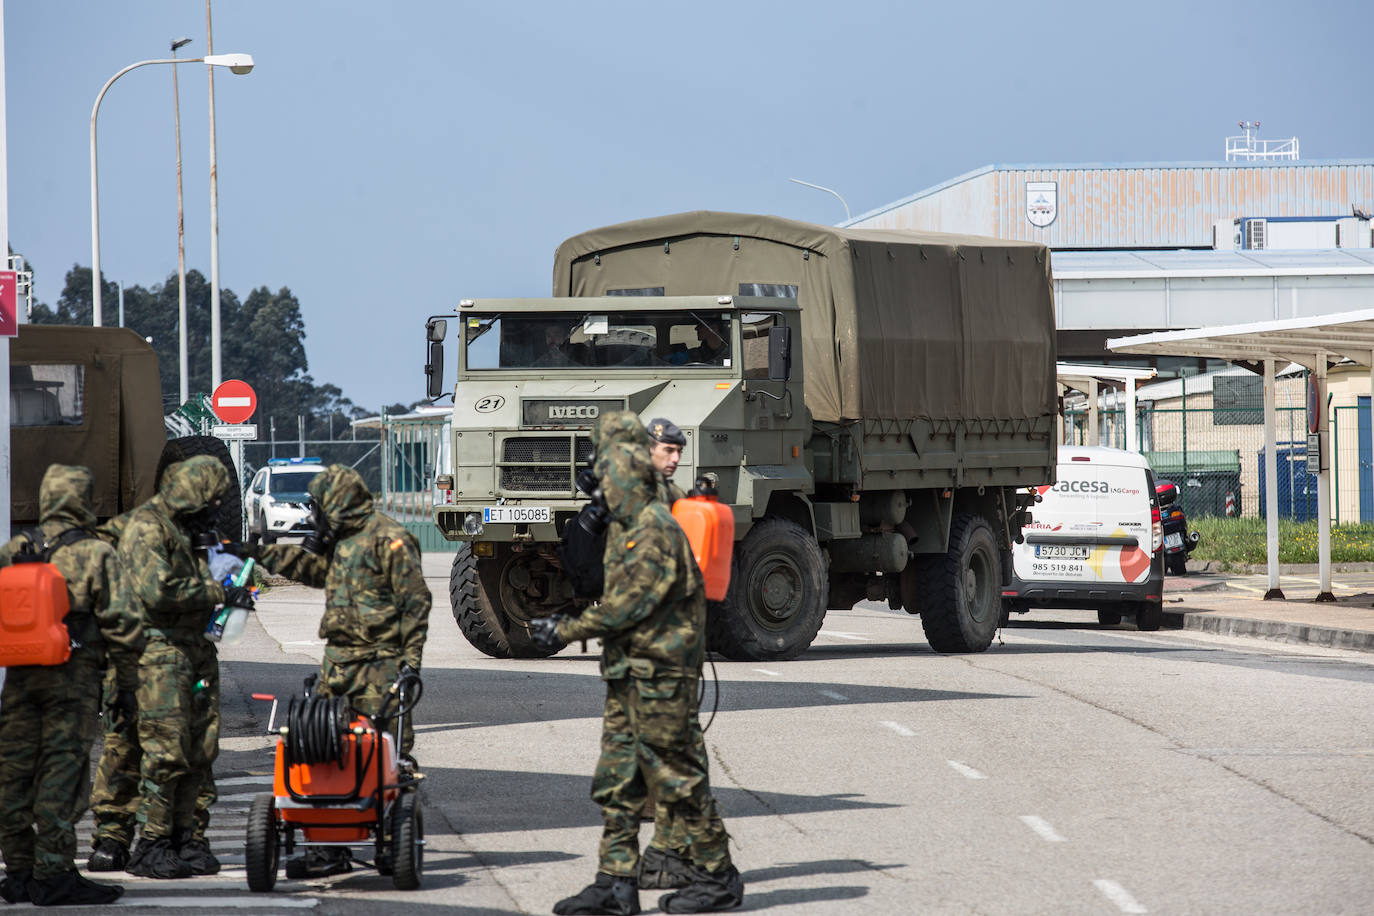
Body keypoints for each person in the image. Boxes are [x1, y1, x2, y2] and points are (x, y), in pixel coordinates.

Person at [531, 412, 743, 915]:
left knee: (676, 778)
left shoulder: (653, 529)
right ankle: (616, 883)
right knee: (619, 781)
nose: (600, 488)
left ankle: (718, 876)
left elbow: (625, 607)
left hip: (662, 675)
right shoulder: (627, 526)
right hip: (631, 671)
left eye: (608, 478)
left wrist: (562, 631)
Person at [230, 463, 431, 878]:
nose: (315, 515)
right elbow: (312, 572)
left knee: (388, 750)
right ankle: (329, 849)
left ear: (338, 502)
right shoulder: (341, 540)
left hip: (380, 662)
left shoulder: (390, 539)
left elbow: (416, 603)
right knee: (322, 746)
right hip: (338, 661)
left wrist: (410, 663)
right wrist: (256, 551)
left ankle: (394, 840)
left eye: (319, 506)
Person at [0, 464, 144, 906]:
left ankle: (19, 872)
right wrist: (127, 685)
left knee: (14, 775)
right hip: (73, 680)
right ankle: (54, 873)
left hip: (20, 680)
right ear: (84, 500)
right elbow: (124, 624)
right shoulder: (96, 553)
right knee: (62, 776)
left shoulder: (15, 548)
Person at [119, 455, 252, 880]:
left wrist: (235, 584)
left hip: (195, 651)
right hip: (160, 654)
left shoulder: (188, 531)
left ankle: (187, 838)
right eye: (211, 500)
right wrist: (216, 590)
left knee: (200, 749)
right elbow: (157, 590)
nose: (215, 508)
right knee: (165, 750)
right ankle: (152, 842)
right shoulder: (148, 527)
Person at [86, 512, 217, 875]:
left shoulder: (201, 541)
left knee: (192, 749)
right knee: (125, 746)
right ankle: (114, 837)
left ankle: (186, 834)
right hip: (139, 656)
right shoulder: (138, 535)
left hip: (190, 658)